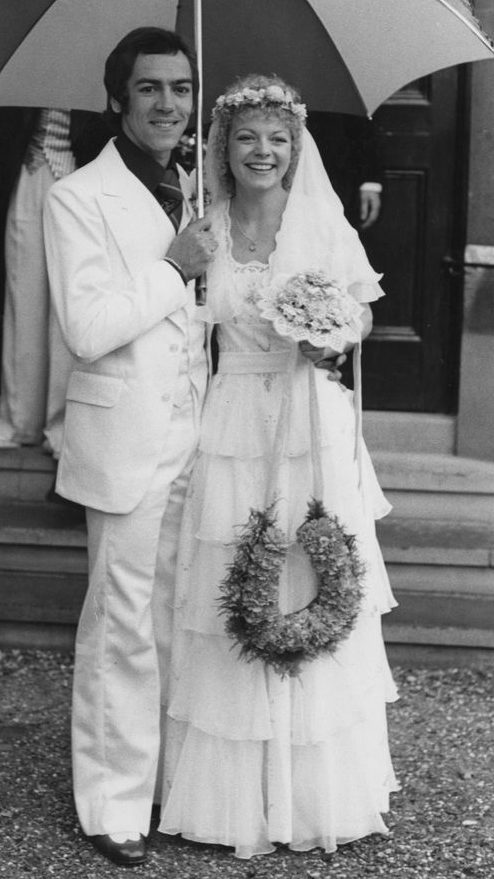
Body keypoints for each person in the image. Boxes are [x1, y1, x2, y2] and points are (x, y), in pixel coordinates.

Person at [159, 75, 398, 858]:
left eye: (277, 138)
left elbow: (358, 311)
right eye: (247, 137)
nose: (263, 151)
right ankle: (232, 796)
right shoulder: (207, 228)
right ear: (222, 148)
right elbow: (179, 325)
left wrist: (328, 335)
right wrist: (177, 262)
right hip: (231, 415)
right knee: (232, 579)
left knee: (312, 575)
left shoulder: (321, 224)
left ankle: (312, 794)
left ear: (297, 149)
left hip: (309, 417)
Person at [42, 27, 216, 867]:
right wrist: (176, 265)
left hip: (199, 434)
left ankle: (161, 785)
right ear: (118, 98)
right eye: (150, 89)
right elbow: (89, 326)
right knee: (120, 627)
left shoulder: (197, 186)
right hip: (125, 439)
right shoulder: (76, 196)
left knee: (178, 617)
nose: (169, 105)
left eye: (181, 89)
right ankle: (111, 804)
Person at [0, 109, 77, 456]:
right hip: (29, 172)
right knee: (23, 296)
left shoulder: (97, 61)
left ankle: (60, 427)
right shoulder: (27, 62)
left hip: (78, 176)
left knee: (67, 304)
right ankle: (17, 420)